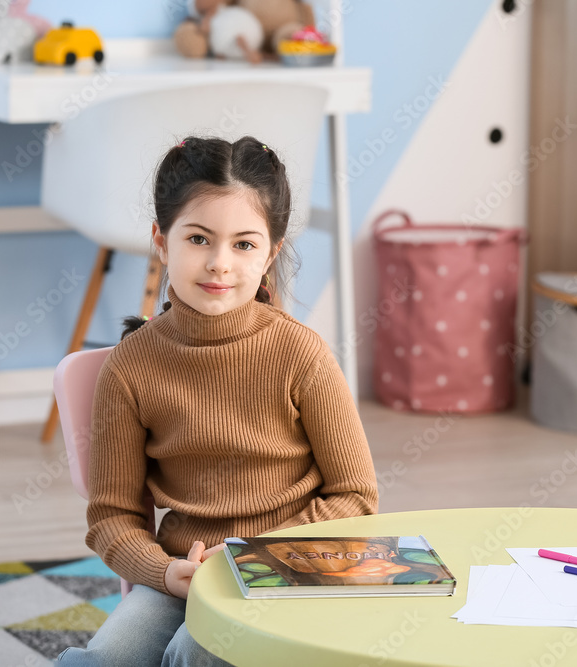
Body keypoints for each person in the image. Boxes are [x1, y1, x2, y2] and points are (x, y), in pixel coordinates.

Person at [57, 136, 379, 666]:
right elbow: (112, 516)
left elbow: (356, 495)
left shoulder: (301, 353)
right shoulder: (130, 367)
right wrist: (163, 571)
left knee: (192, 653)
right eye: (200, 239)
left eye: (244, 244)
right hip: (181, 576)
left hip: (285, 568)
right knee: (100, 661)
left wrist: (256, 558)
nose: (220, 264)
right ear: (162, 241)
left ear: (271, 253)